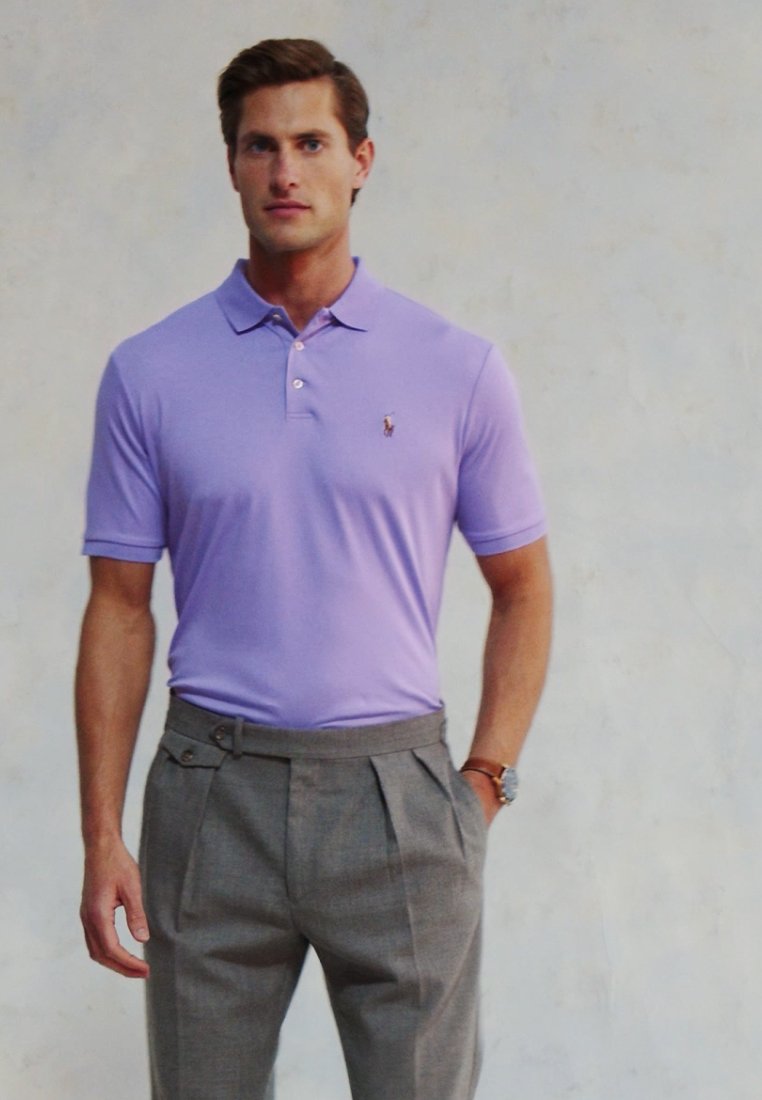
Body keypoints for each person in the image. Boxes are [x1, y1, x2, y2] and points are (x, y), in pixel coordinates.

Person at [75, 37, 553, 1100]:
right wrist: (102, 834)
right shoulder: (151, 371)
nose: (285, 170)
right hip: (212, 792)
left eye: (311, 142)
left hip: (398, 797)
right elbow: (118, 607)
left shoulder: (456, 367)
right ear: (232, 164)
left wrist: (483, 781)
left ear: (361, 159)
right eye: (261, 146)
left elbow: (523, 584)